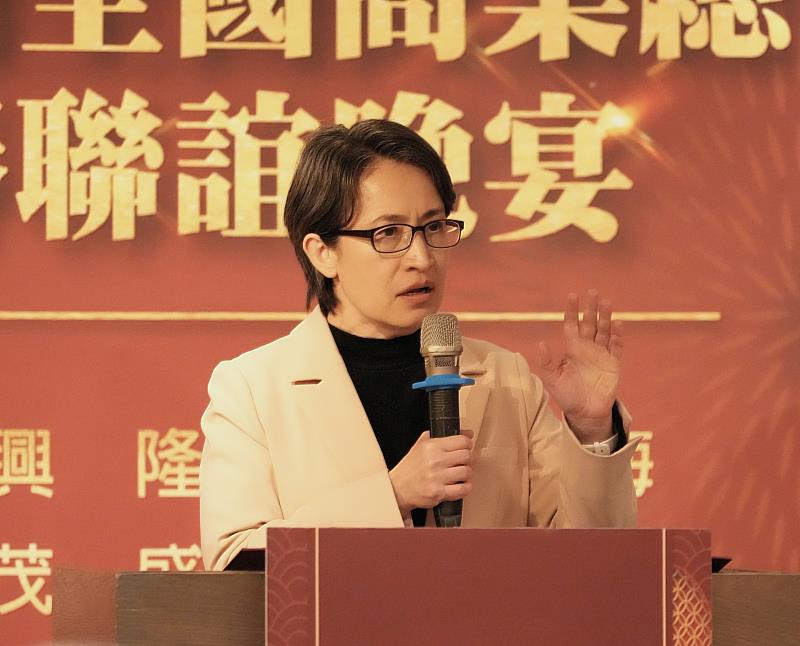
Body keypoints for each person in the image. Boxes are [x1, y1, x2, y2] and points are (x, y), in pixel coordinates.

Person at [199, 120, 639, 572]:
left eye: (433, 227)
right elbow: (236, 560)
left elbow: (592, 563)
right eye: (389, 233)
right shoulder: (252, 388)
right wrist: (393, 495)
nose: (422, 257)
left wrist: (592, 429)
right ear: (322, 252)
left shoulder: (506, 377)